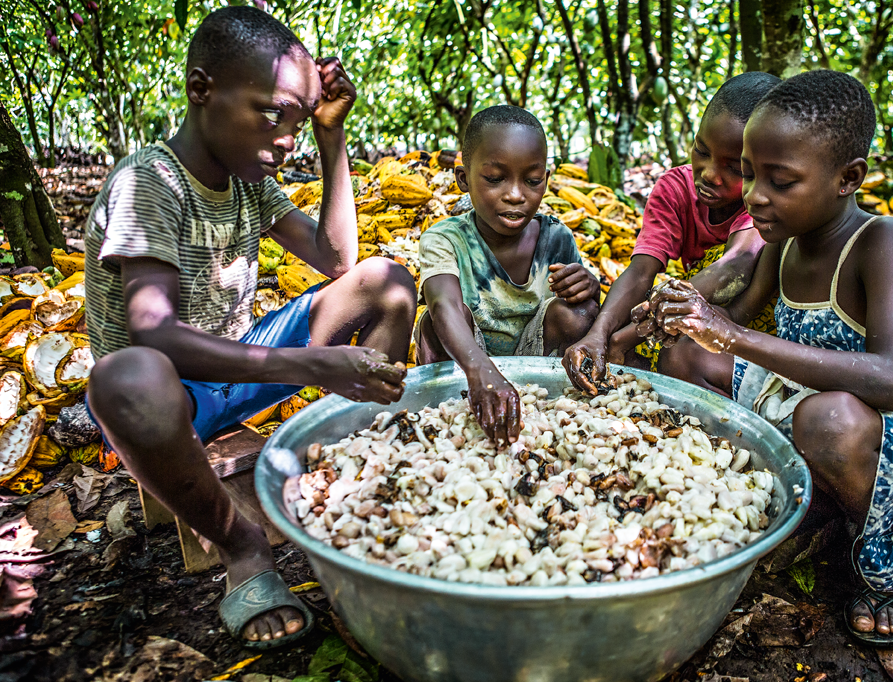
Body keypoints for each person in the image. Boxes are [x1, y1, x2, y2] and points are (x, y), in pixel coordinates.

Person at [84, 7, 416, 649]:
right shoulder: (148, 183)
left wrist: (331, 138)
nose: (285, 137)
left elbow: (340, 262)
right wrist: (311, 367)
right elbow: (153, 336)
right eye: (274, 114)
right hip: (166, 400)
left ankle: (364, 473)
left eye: (297, 120)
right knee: (127, 376)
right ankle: (243, 546)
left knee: (389, 281)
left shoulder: (247, 184)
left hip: (240, 366)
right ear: (202, 90)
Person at [631, 70, 893, 647]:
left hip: (889, 429)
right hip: (796, 400)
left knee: (829, 419)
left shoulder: (881, 241)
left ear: (848, 178)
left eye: (780, 180)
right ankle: (798, 500)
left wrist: (732, 336)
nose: (753, 196)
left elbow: (890, 382)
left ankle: (885, 565)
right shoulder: (784, 238)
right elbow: (737, 318)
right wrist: (685, 312)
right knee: (687, 359)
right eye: (749, 173)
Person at [564, 72, 780, 394]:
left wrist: (626, 336)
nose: (709, 175)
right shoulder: (675, 188)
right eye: (701, 151)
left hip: (752, 337)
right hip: (693, 317)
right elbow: (640, 271)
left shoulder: (764, 204)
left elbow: (734, 266)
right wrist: (600, 333)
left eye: (733, 168)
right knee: (600, 323)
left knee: (672, 348)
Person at [415, 105, 600, 445]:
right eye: (495, 179)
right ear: (463, 179)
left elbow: (584, 321)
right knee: (433, 324)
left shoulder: (556, 238)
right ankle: (441, 414)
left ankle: (560, 408)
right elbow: (444, 306)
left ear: (546, 178)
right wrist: (480, 369)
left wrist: (589, 286)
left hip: (536, 359)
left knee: (579, 311)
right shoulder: (445, 239)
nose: (515, 194)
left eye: (531, 181)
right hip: (467, 361)